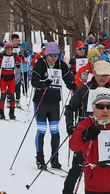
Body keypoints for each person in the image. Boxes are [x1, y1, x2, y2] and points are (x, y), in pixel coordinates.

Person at [61, 60, 110, 194]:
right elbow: (70, 108)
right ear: (94, 73)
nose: (103, 78)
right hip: (85, 133)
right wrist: (70, 126)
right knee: (78, 167)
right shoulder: (85, 89)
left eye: (106, 75)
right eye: (100, 75)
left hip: (104, 135)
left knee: (103, 169)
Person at [30, 41, 76, 170]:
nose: (54, 58)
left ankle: (54, 158)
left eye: (56, 55)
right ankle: (40, 158)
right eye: (52, 55)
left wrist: (73, 86)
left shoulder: (61, 65)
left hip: (55, 102)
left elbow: (68, 79)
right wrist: (43, 83)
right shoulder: (40, 64)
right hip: (41, 101)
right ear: (46, 54)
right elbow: (34, 82)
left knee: (55, 130)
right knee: (42, 130)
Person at [0, 44, 23, 120]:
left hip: (11, 78)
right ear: (5, 50)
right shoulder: (2, 56)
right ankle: (1, 113)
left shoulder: (14, 55)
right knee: (3, 95)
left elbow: (22, 61)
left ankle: (12, 113)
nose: (9, 51)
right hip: (3, 79)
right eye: (7, 50)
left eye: (10, 50)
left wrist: (21, 56)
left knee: (12, 96)